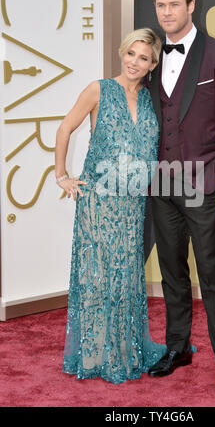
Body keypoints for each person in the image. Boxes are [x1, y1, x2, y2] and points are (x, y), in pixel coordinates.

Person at [146, 0, 215, 393]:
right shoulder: (150, 54)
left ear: (192, 6)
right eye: (160, 6)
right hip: (160, 183)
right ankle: (178, 347)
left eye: (174, 5)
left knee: (212, 274)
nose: (166, 12)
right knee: (171, 271)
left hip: (199, 182)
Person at [55, 28, 167, 384]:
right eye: (131, 53)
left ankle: (124, 350)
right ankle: (94, 356)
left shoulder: (150, 100)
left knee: (126, 278)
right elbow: (64, 129)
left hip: (132, 207)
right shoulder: (98, 89)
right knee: (97, 279)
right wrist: (62, 176)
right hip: (97, 204)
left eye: (144, 57)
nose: (135, 62)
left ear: (152, 63)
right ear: (123, 52)